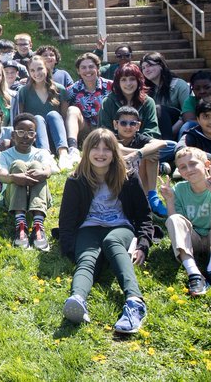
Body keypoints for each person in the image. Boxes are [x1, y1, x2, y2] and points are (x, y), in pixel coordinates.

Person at [58, 128, 152, 334]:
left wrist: (143, 244)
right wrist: (70, 249)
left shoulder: (129, 177)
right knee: (87, 258)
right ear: (86, 150)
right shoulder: (75, 180)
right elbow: (66, 220)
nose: (100, 153)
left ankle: (135, 302)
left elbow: (144, 215)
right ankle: (77, 299)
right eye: (95, 148)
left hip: (120, 227)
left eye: (106, 149)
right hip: (89, 227)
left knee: (112, 242)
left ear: (114, 153)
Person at [158, 147, 211, 296]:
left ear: (206, 165)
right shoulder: (179, 189)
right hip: (195, 240)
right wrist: (170, 200)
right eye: (183, 167)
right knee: (173, 218)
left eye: (193, 164)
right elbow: (176, 225)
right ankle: (194, 273)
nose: (189, 169)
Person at [0, 114, 57, 251]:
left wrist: (43, 173)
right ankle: (21, 225)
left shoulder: (41, 153)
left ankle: (38, 226)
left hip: (38, 195)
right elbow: (2, 175)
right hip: (12, 197)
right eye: (21, 131)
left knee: (37, 165)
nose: (25, 136)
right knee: (17, 164)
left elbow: (48, 169)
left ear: (35, 137)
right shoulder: (4, 155)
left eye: (30, 133)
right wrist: (15, 177)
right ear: (13, 135)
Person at [62, 52, 113, 168]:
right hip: (86, 129)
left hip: (106, 128)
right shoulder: (72, 90)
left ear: (97, 68)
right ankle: (73, 149)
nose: (87, 70)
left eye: (91, 67)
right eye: (83, 68)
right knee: (72, 110)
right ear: (78, 71)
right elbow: (64, 113)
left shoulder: (111, 86)